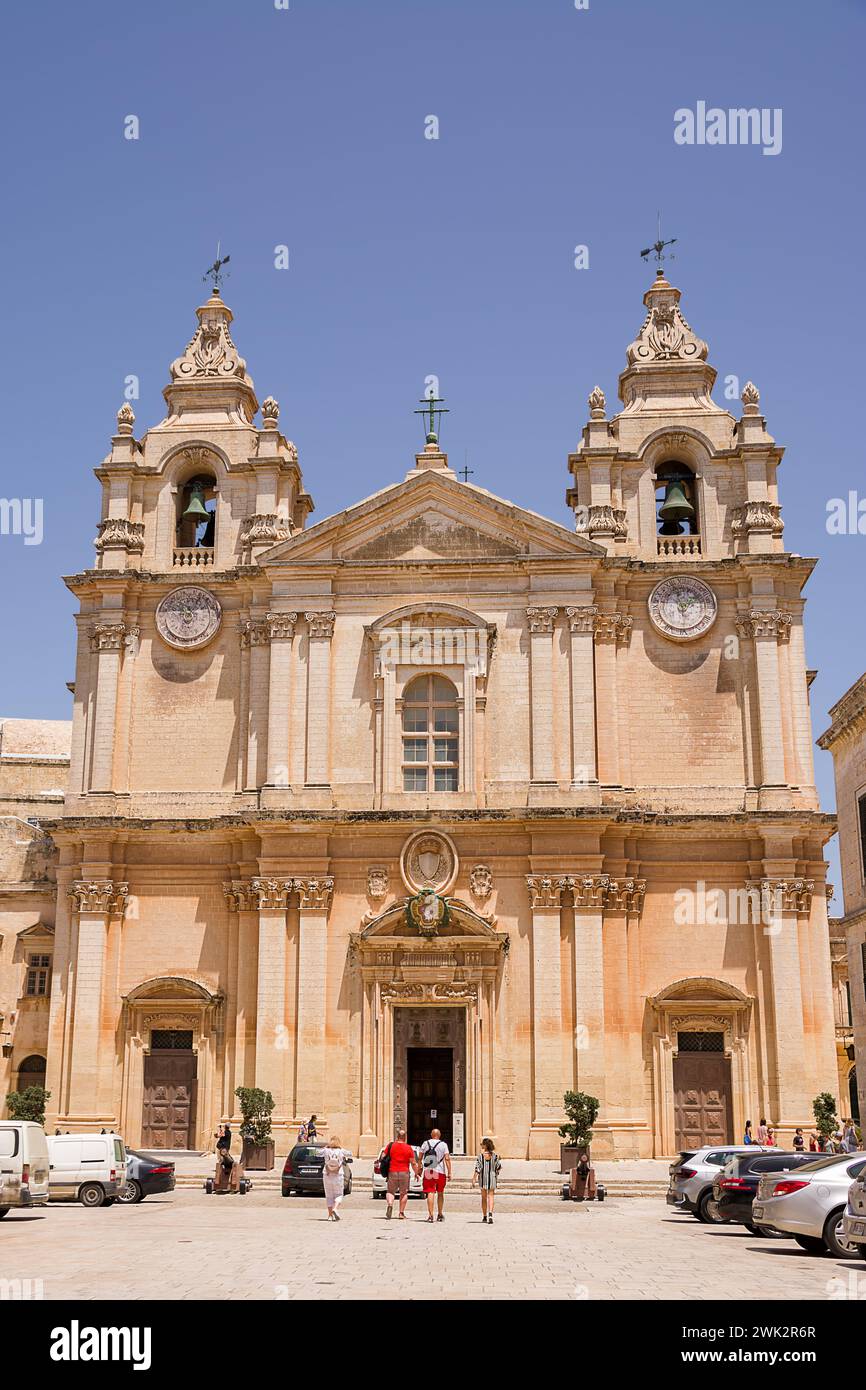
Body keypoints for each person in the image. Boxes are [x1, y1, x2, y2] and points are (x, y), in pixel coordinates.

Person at [382, 1129, 419, 1220]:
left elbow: (383, 1156)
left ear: (397, 1136)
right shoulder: (408, 1148)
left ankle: (390, 1204)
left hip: (392, 1171)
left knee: (390, 1191)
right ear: (405, 1138)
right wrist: (416, 1173)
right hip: (404, 1172)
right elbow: (413, 1163)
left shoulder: (391, 1146)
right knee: (403, 1193)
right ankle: (401, 1213)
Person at [419, 1128, 452, 1223]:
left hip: (429, 1170)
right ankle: (440, 1214)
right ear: (439, 1135)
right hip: (440, 1171)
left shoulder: (425, 1143)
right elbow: (447, 1159)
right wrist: (449, 1172)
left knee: (430, 1192)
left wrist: (419, 1169)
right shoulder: (443, 1144)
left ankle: (430, 1215)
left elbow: (420, 1158)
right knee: (440, 1193)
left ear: (431, 1135)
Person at [322, 1135, 351, 1221]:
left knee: (329, 1195)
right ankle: (335, 1208)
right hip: (338, 1175)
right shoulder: (341, 1151)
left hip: (327, 1174)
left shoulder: (326, 1150)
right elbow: (350, 1154)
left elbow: (314, 1153)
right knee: (339, 1194)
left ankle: (330, 1216)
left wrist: (325, 1147)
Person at [473, 1137, 501, 1224]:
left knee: (484, 1198)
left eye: (482, 1144)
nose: (481, 1145)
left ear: (485, 1146)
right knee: (491, 1196)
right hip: (492, 1178)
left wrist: (474, 1178)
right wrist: (495, 1174)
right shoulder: (495, 1156)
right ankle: (490, 1214)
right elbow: (499, 1167)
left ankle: (484, 1216)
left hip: (483, 1178)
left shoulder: (481, 1156)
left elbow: (478, 1168)